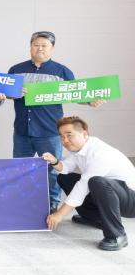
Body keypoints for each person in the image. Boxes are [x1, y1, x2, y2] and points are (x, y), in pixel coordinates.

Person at [9, 31, 105, 212]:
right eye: (36, 45)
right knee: (20, 168)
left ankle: (52, 203)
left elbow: (75, 94)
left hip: (50, 130)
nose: (40, 48)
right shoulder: (16, 69)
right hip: (22, 130)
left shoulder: (62, 71)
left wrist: (89, 101)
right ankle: (21, 202)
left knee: (52, 170)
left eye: (44, 45)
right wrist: (13, 93)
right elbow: (6, 93)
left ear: (52, 48)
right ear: (30, 47)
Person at [45, 116, 135, 251]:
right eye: (62, 136)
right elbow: (66, 167)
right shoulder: (79, 149)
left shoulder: (100, 153)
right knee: (65, 178)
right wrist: (54, 162)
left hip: (131, 201)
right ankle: (95, 218)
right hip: (113, 193)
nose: (65, 140)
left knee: (96, 181)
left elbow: (83, 186)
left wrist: (59, 214)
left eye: (69, 135)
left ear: (84, 134)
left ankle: (117, 235)